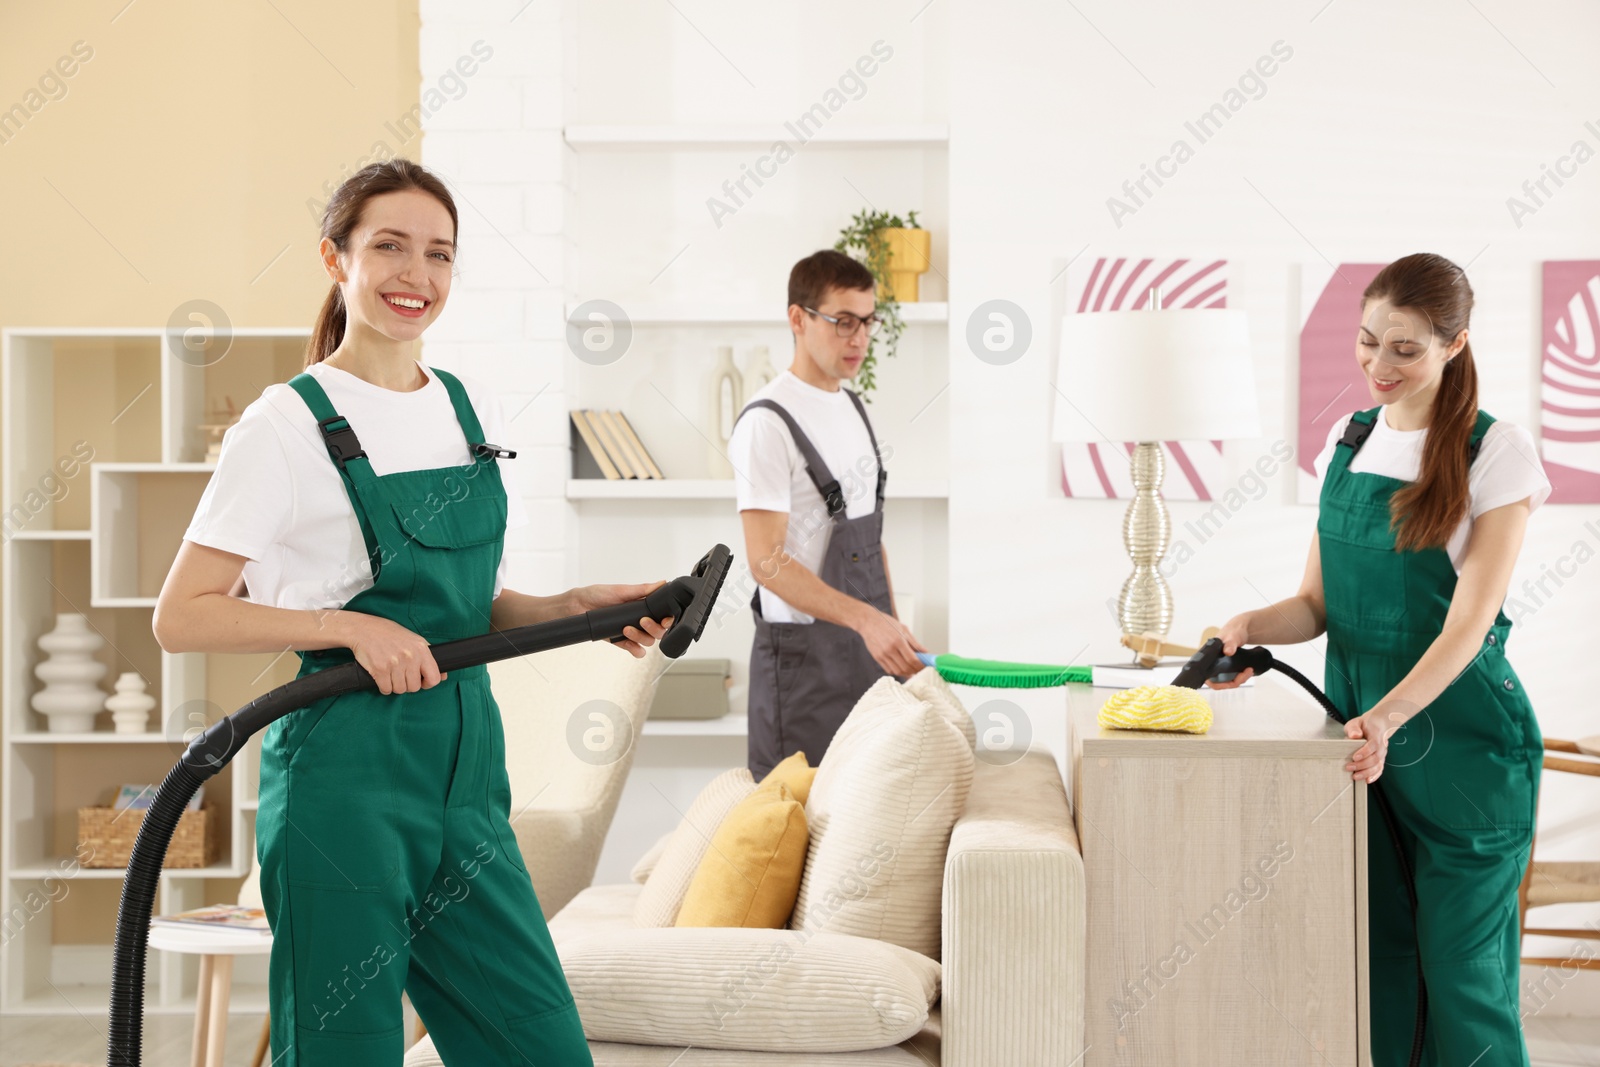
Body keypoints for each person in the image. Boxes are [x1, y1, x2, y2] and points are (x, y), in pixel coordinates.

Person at [153, 158, 670, 1066]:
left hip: (468, 779)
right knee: (342, 1051)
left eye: (438, 254)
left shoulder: (458, 407)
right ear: (334, 258)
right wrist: (348, 626)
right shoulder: (283, 426)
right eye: (388, 246)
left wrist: (570, 606)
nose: (415, 276)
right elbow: (183, 615)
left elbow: (471, 606)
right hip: (343, 783)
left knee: (539, 1047)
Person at [1209, 252, 1547, 1067]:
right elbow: (1316, 607)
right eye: (1367, 343)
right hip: (1362, 747)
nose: (1379, 364)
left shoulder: (1496, 451)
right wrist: (1250, 622)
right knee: (1382, 966)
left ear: (1454, 344)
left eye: (1405, 348)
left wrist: (1391, 715)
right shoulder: (1350, 439)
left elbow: (1468, 625)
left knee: (1463, 973)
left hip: (1464, 747)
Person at [728, 249, 926, 779]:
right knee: (791, 829)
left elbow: (869, 535)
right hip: (802, 671)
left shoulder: (854, 408)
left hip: (867, 657)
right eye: (843, 321)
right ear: (798, 319)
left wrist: (892, 628)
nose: (858, 338)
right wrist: (868, 620)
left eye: (867, 321)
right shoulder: (767, 424)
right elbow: (766, 561)